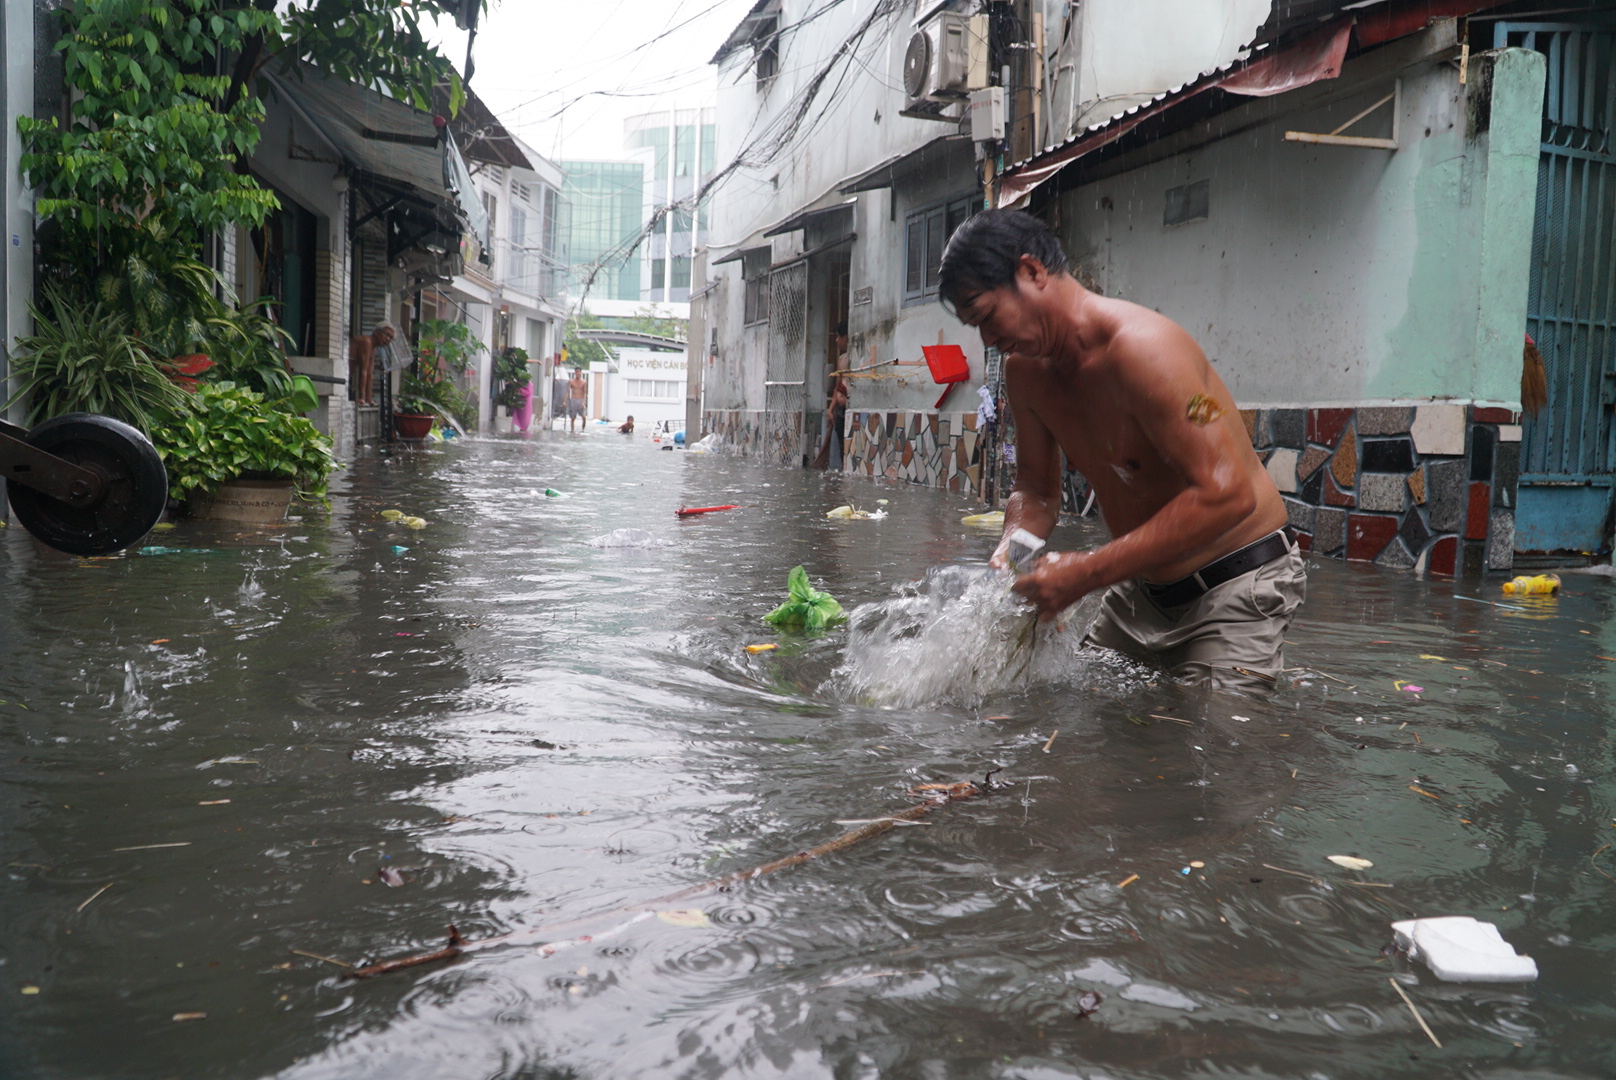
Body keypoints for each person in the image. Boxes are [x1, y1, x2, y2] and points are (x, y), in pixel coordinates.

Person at [939, 210, 1303, 693]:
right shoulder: (1024, 373)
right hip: (1139, 591)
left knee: (1221, 751)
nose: (987, 339)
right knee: (1086, 725)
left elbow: (1229, 494)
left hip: (1236, 586)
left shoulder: (1145, 352)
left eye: (986, 316)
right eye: (974, 327)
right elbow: (1035, 491)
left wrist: (1084, 574)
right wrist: (1013, 555)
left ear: (1031, 272)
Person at [811, 322, 850, 470]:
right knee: (840, 446)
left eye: (838, 337)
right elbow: (838, 387)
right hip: (840, 409)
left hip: (848, 408)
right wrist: (831, 409)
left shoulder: (853, 358)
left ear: (845, 337)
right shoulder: (842, 359)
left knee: (846, 446)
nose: (836, 341)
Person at [347, 324, 395, 406]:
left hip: (350, 369)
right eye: (387, 335)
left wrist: (369, 399)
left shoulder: (373, 347)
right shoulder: (367, 342)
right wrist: (362, 397)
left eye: (391, 338)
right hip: (345, 366)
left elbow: (370, 373)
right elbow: (363, 371)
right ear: (376, 332)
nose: (388, 339)